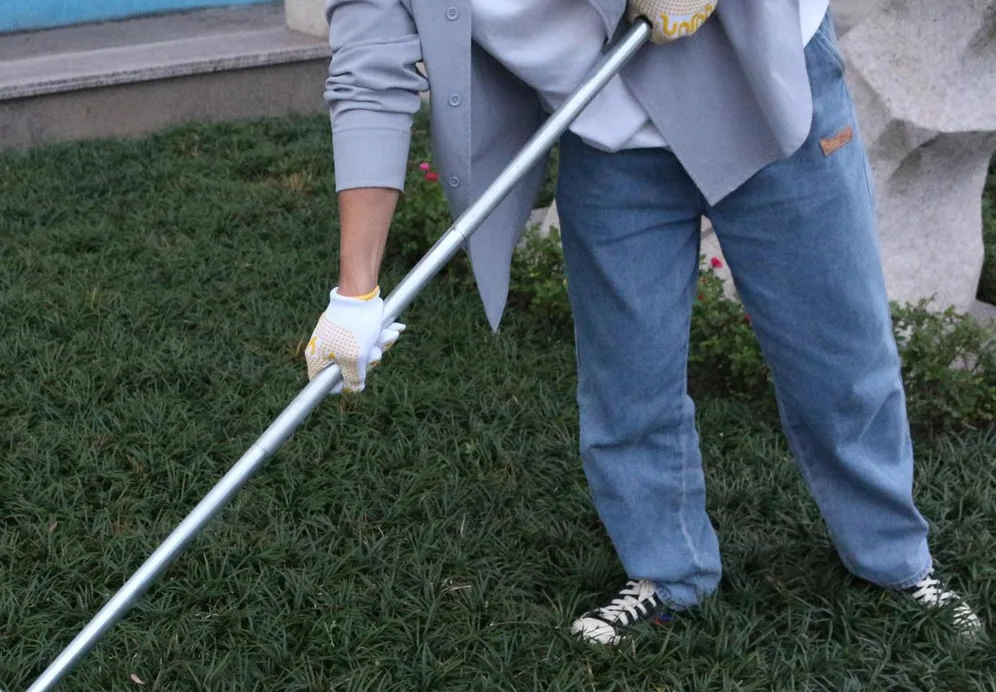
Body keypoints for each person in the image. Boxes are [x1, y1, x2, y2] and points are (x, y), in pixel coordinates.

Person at [303, 0, 982, 645]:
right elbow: (368, 78)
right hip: (603, 127)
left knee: (838, 358)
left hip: (755, 82)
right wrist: (355, 293)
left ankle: (896, 560)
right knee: (627, 380)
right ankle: (669, 571)